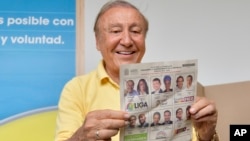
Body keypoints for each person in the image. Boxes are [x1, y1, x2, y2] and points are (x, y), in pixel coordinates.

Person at [55, 1, 219, 141]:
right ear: (98, 41)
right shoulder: (76, 89)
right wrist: (81, 137)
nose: (127, 41)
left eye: (135, 31)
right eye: (116, 31)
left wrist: (207, 135)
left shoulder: (176, 86)